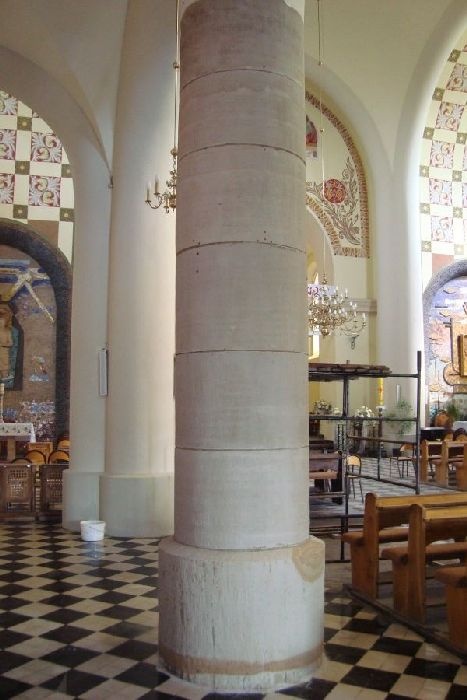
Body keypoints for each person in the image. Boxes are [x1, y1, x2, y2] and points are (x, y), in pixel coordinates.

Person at [0, 305, 13, 380]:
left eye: (2, 320)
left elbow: (10, 343)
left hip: (4, 351)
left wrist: (3, 344)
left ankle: (4, 376)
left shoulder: (7, 331)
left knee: (4, 364)